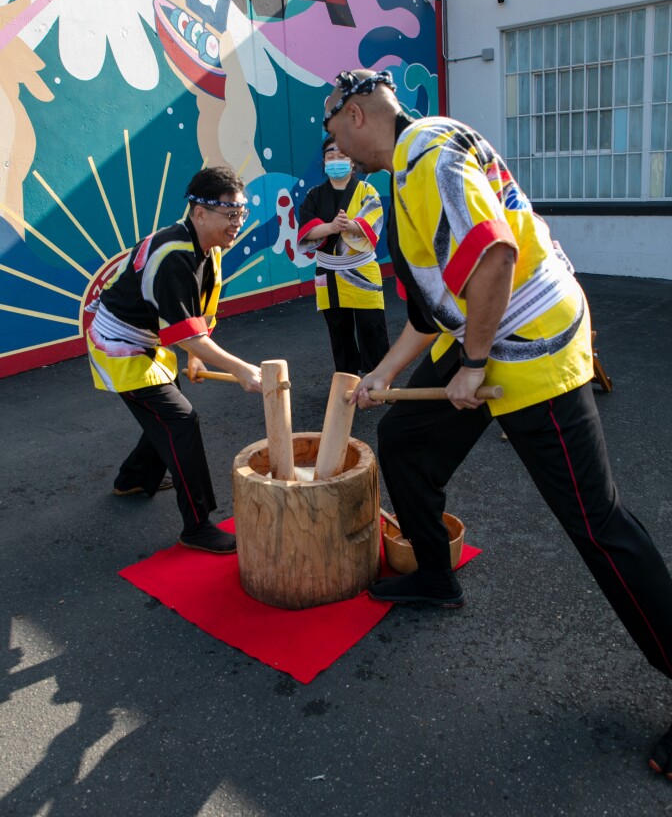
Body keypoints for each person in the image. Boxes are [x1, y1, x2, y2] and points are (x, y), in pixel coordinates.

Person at [322, 68, 672, 777]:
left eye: (333, 133)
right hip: (486, 335)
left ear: (356, 115)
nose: (333, 150)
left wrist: (474, 364)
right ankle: (433, 575)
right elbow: (433, 307)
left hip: (529, 344)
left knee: (598, 525)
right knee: (405, 442)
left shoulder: (425, 159)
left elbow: (494, 258)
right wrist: (386, 375)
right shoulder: (420, 154)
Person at [85, 165, 262, 554]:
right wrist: (240, 368)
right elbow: (186, 332)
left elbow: (201, 314)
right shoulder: (172, 254)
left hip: (150, 338)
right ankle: (197, 526)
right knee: (180, 419)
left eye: (242, 213)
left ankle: (134, 477)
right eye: (230, 214)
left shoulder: (208, 249)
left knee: (166, 413)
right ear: (199, 212)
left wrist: (198, 357)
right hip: (119, 343)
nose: (238, 223)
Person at [297, 136, 389, 375]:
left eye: (342, 156)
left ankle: (378, 380)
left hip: (362, 269)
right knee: (339, 330)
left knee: (372, 326)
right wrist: (332, 227)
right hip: (329, 271)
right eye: (330, 157)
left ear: (352, 162)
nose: (336, 161)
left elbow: (373, 222)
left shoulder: (367, 190)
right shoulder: (314, 195)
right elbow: (306, 230)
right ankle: (347, 380)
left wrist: (349, 225)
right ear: (324, 162)